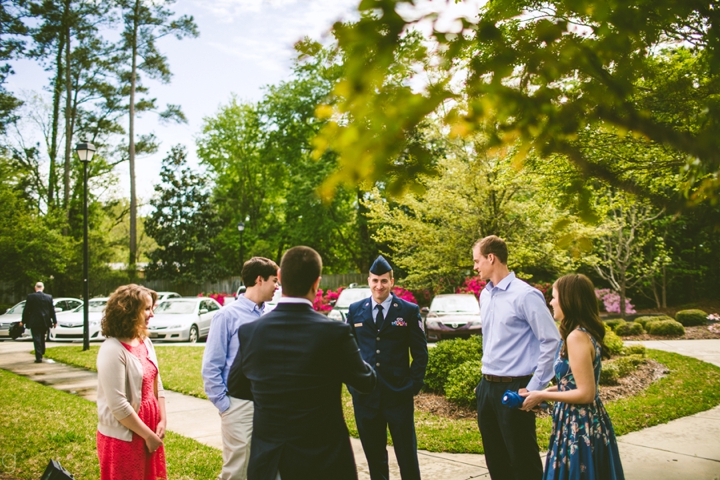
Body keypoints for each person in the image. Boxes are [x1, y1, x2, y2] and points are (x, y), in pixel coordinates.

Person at [227, 246, 376, 480]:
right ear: (317, 283)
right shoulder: (334, 333)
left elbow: (236, 386)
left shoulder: (251, 332)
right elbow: (366, 381)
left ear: (282, 279)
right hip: (324, 460)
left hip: (270, 460)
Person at [472, 235, 561, 480]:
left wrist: (534, 388)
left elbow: (551, 340)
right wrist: (482, 387)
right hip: (487, 387)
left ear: (491, 258)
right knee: (495, 459)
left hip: (516, 386)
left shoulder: (526, 295)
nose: (475, 266)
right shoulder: (485, 295)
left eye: (477, 260)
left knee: (522, 459)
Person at [520, 274, 625, 479]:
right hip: (576, 420)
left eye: (554, 296)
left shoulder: (576, 337)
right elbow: (573, 384)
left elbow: (586, 393)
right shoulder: (580, 333)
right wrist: (542, 391)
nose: (550, 302)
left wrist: (543, 397)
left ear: (568, 300)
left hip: (579, 425)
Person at [346, 255, 428, 480]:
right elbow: (347, 353)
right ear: (368, 281)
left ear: (392, 281)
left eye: (383, 281)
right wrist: (354, 386)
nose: (379, 286)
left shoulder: (408, 311)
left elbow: (420, 353)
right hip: (366, 397)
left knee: (407, 455)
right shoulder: (355, 311)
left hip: (398, 395)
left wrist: (413, 385)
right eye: (374, 281)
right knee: (374, 457)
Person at [202, 257, 279, 480]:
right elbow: (211, 367)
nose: (277, 286)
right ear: (259, 279)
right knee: (238, 469)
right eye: (274, 280)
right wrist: (226, 406)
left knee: (270, 466)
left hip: (269, 406)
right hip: (239, 406)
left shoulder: (271, 315)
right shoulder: (226, 316)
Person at [96, 284, 167, 480]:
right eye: (146, 308)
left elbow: (156, 383)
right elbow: (118, 406)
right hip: (124, 437)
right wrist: (148, 436)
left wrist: (162, 419)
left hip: (148, 431)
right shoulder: (112, 349)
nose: (151, 314)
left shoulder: (145, 341)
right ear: (128, 311)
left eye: (152, 308)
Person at [20, 282, 57, 363]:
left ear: (35, 288)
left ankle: (39, 356)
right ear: (43, 288)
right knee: (42, 337)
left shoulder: (31, 297)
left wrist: (23, 321)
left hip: (35, 321)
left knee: (36, 338)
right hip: (45, 321)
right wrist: (54, 321)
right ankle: (42, 351)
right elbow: (52, 310)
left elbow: (26, 310)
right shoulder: (49, 297)